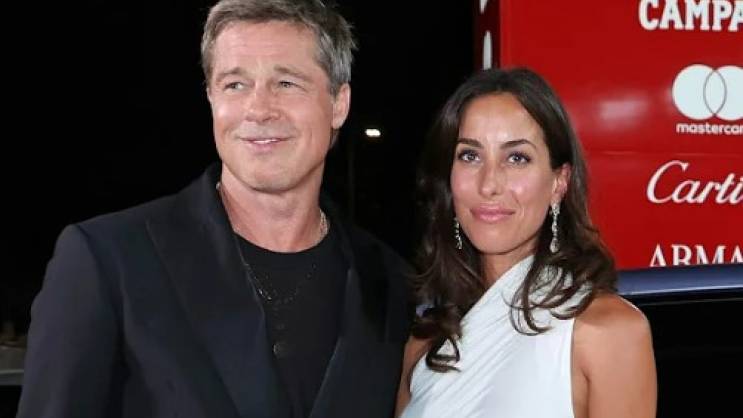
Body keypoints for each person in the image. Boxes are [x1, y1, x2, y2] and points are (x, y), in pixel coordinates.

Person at [18, 1, 411, 417]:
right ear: (210, 98)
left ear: (339, 104)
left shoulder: (391, 285)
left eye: (286, 83)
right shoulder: (107, 260)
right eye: (235, 85)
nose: (258, 109)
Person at [395, 68, 657, 418]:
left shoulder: (608, 333)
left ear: (559, 182)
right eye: (470, 156)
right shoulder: (424, 345)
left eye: (516, 158)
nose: (489, 184)